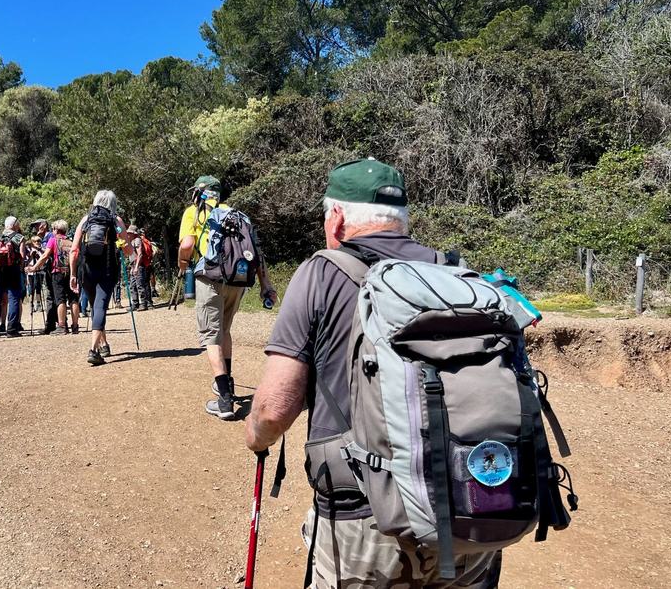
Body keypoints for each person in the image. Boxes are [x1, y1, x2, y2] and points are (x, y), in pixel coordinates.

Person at [244, 159, 501, 588]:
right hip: (467, 513)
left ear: (337, 218)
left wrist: (256, 436)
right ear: (401, 220)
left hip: (364, 521)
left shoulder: (320, 274)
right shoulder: (452, 272)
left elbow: (274, 410)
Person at [177, 175, 276, 421]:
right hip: (237, 280)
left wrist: (182, 263)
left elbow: (188, 244)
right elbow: (256, 252)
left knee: (211, 335)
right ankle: (228, 384)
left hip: (209, 278)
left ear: (199, 193)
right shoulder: (237, 214)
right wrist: (266, 285)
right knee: (225, 330)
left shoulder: (194, 212)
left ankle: (224, 400)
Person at [70, 190, 132, 366]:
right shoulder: (116, 220)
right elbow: (128, 250)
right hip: (107, 270)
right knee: (100, 307)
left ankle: (103, 344)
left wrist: (73, 274)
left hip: (86, 271)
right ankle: (94, 350)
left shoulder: (86, 219)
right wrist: (122, 246)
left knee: (95, 306)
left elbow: (74, 250)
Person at [27, 219, 79, 334]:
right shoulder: (70, 242)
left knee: (60, 299)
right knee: (73, 299)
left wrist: (34, 267)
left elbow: (45, 255)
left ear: (56, 229)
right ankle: (75, 326)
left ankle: (61, 326)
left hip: (57, 272)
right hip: (71, 273)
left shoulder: (53, 240)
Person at [0, 216, 26, 337]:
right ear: (15, 225)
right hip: (13, 270)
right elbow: (22, 256)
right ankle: (12, 329)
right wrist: (20, 270)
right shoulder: (20, 238)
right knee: (14, 298)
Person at [127, 224, 154, 310]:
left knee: (140, 285)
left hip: (138, 265)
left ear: (134, 233)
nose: (128, 234)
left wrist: (136, 267)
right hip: (133, 265)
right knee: (132, 285)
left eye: (129, 233)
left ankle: (143, 304)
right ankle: (135, 304)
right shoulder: (131, 241)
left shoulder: (137, 240)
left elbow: (140, 254)